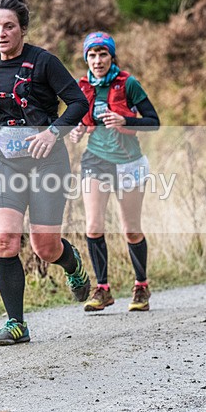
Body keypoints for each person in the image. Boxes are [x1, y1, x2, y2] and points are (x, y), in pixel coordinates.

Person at [0, 0, 91, 347]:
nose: (1, 33)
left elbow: (78, 103)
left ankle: (73, 263)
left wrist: (53, 132)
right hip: (7, 165)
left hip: (49, 164)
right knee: (4, 240)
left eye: (8, 26)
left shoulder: (44, 62)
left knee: (45, 247)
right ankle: (16, 323)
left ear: (23, 29)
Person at [69, 31, 160, 312]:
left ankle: (141, 286)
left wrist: (126, 119)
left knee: (130, 230)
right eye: (92, 55)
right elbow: (81, 121)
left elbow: (154, 122)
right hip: (96, 160)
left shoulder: (128, 84)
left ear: (111, 56)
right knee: (94, 226)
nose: (97, 60)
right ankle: (103, 289)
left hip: (128, 161)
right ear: (86, 58)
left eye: (103, 54)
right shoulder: (83, 87)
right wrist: (77, 129)